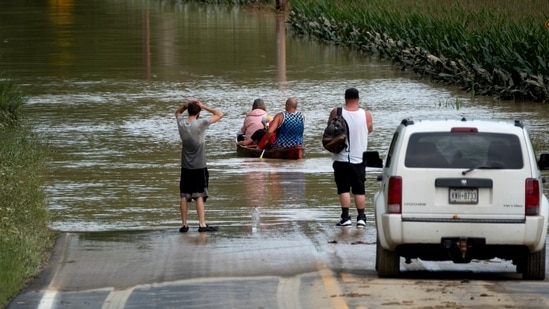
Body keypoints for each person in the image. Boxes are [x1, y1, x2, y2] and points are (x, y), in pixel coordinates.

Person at [175, 99, 224, 233]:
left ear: (188, 110)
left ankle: (184, 225)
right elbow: (219, 114)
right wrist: (204, 106)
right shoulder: (201, 123)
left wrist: (186, 105)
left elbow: (177, 112)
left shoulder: (181, 123)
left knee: (184, 195)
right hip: (199, 165)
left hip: (185, 166)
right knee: (199, 195)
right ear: (199, 112)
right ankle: (202, 225)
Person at [329, 88, 373, 227]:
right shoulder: (366, 114)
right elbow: (369, 129)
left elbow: (329, 130)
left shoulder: (337, 112)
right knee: (359, 189)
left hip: (341, 157)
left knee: (344, 189)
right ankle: (361, 218)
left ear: (345, 98)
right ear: (358, 99)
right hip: (359, 158)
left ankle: (346, 217)